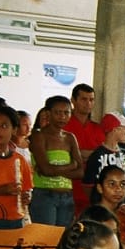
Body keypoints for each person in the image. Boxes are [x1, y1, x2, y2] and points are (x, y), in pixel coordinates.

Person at [29, 95, 83, 227]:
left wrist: (53, 169)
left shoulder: (70, 137)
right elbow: (46, 170)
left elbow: (80, 172)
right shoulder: (39, 136)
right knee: (46, 237)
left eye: (66, 113)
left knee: (63, 237)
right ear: (48, 113)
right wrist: (71, 166)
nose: (62, 117)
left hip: (67, 196)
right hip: (44, 194)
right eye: (57, 112)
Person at [82, 113, 125, 206]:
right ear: (115, 129)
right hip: (100, 205)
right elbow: (88, 184)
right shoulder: (97, 155)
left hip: (119, 204)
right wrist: (96, 201)